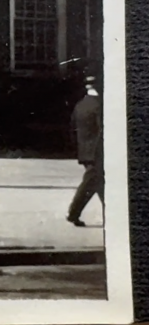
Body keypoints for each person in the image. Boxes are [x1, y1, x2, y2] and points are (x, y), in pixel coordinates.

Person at [66, 72, 104, 227]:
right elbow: (103, 130)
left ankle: (114, 216)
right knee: (90, 183)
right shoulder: (100, 105)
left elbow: (72, 129)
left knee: (100, 185)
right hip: (98, 152)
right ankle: (73, 213)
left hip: (85, 151)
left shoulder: (80, 104)